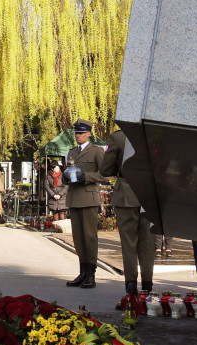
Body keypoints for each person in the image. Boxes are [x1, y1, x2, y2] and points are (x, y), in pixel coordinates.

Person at [101, 130, 154, 294]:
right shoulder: (153, 134)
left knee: (129, 243)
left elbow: (105, 170)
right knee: (148, 244)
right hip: (150, 194)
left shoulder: (118, 137)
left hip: (126, 194)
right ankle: (147, 289)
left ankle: (131, 289)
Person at [63, 119, 107, 289]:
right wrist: (66, 178)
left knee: (90, 237)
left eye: (81, 133)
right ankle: (82, 272)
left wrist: (87, 177)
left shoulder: (96, 151)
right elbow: (69, 172)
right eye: (76, 133)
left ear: (89, 133)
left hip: (88, 198)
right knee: (78, 238)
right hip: (74, 198)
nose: (78, 136)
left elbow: (106, 174)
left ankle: (91, 274)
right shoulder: (71, 152)